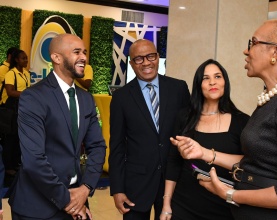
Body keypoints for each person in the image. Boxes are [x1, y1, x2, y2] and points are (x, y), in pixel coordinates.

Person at [171, 19, 277, 220]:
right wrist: (204, 153)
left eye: (253, 42)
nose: (246, 51)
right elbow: (256, 163)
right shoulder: (272, 99)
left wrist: (231, 194)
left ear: (275, 52)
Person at [8, 34, 106, 219]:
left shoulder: (86, 99)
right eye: (76, 52)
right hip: (37, 207)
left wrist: (85, 189)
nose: (84, 57)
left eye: (84, 52)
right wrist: (68, 201)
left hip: (77, 200)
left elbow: (98, 146)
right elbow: (34, 160)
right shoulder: (34, 97)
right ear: (56, 57)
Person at [109, 39, 190, 220]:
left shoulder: (179, 88)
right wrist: (117, 189)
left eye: (150, 56)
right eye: (138, 59)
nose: (146, 63)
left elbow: (189, 133)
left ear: (158, 57)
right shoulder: (121, 97)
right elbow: (117, 145)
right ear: (131, 63)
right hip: (136, 185)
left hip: (173, 182)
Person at [160, 59, 250, 220]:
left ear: (225, 82)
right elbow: (173, 162)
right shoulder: (184, 117)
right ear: (199, 85)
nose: (212, 82)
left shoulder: (242, 121)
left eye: (217, 76)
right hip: (184, 204)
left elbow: (249, 163)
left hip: (224, 207)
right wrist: (166, 204)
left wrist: (207, 154)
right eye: (205, 78)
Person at [1, 49, 30, 177]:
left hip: (23, 108)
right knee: (10, 138)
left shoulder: (27, 73)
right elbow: (11, 91)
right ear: (17, 60)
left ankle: (17, 163)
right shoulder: (10, 74)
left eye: (26, 58)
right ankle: (8, 166)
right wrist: (28, 94)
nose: (26, 60)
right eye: (23, 58)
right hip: (12, 109)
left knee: (20, 137)